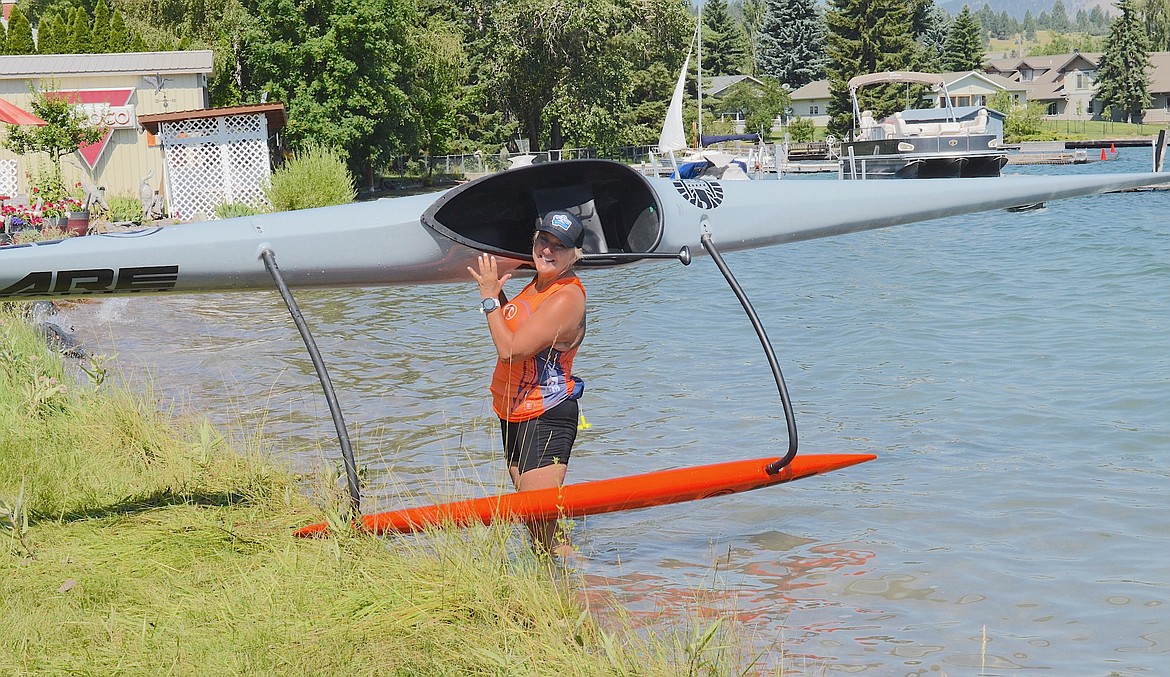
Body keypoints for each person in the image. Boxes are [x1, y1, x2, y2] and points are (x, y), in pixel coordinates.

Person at [468, 210, 587, 556]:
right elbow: (518, 326)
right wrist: (501, 297)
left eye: (559, 246)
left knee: (542, 522)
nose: (548, 251)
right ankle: (553, 592)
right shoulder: (538, 283)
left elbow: (510, 350)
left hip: (546, 413)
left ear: (574, 254)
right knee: (535, 527)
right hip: (515, 413)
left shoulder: (566, 297)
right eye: (543, 240)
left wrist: (489, 297)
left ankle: (582, 587)